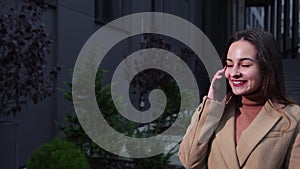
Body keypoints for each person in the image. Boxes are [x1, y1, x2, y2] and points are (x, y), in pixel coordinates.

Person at [178, 29, 300, 169]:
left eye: (245, 65)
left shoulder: (292, 116)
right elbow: (189, 161)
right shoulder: (216, 110)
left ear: (267, 67)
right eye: (229, 65)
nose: (234, 73)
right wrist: (212, 102)